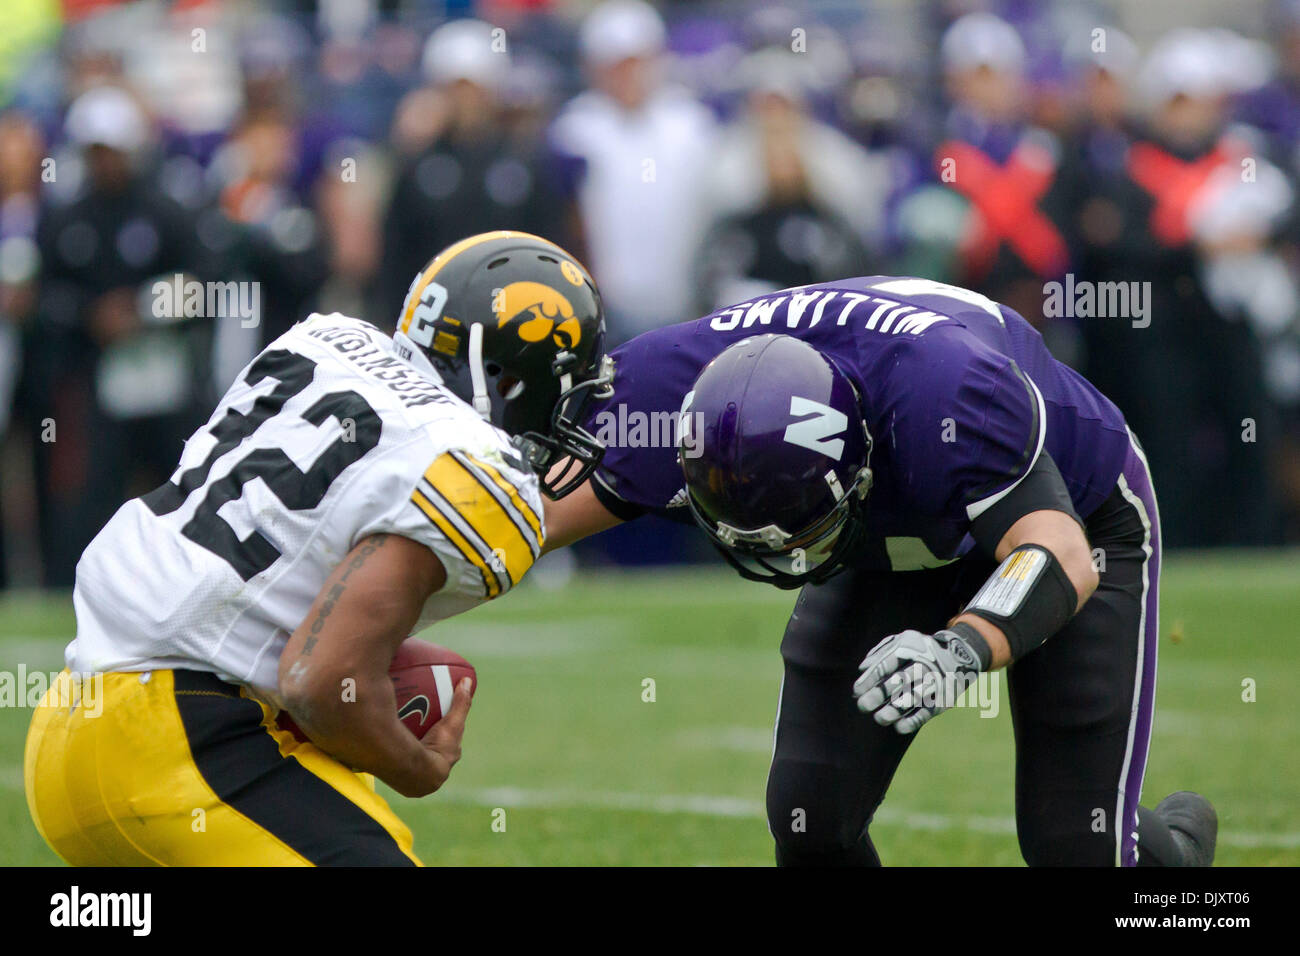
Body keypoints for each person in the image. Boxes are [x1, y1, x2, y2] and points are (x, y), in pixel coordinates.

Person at [542, 275, 1216, 867]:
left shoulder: (948, 395)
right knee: (812, 818)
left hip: (1074, 509)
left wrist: (959, 649)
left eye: (799, 530)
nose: (783, 558)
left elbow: (1059, 554)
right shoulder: (668, 391)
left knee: (1077, 845)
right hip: (886, 531)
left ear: (856, 464)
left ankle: (1185, 871)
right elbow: (517, 528)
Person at [24, 231, 612, 865]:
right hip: (178, 743)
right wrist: (413, 764)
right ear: (503, 374)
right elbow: (322, 680)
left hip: (68, 727)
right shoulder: (472, 464)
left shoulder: (329, 341)